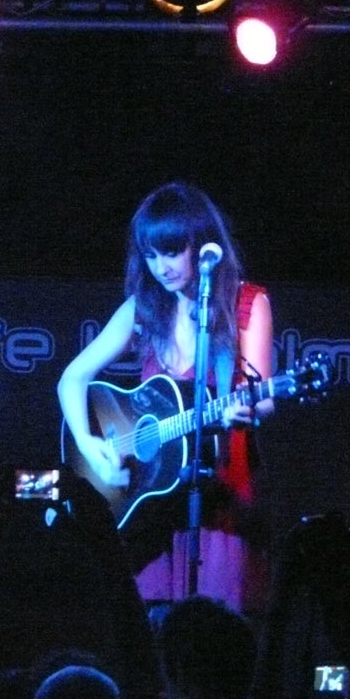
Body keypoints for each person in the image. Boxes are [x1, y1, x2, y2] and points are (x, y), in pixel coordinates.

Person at [56, 181, 273, 615]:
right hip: (151, 505)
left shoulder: (247, 302)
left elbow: (263, 397)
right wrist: (89, 444)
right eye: (151, 256)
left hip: (218, 497)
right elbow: (73, 378)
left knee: (214, 628)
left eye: (171, 252)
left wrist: (244, 410)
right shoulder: (144, 307)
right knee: (150, 632)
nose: (161, 267)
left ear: (201, 244)